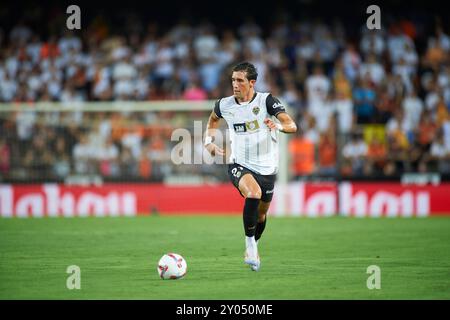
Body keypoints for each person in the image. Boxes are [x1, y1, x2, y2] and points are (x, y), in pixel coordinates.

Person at [204, 62, 297, 271]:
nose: (235, 85)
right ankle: (249, 246)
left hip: (267, 168)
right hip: (239, 163)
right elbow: (212, 122)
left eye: (240, 80)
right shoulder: (224, 105)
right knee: (253, 193)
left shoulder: (267, 101)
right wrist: (208, 142)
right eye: (233, 80)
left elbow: (292, 125)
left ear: (252, 82)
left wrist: (278, 126)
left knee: (262, 214)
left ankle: (255, 244)